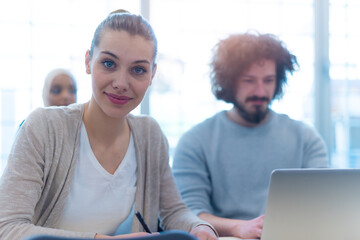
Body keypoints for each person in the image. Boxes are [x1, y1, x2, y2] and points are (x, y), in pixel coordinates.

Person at [0, 10, 217, 240]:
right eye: (108, 63)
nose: (121, 83)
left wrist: (199, 228)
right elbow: (7, 227)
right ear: (88, 62)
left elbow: (174, 211)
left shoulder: (150, 135)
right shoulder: (43, 127)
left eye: (138, 70)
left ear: (152, 74)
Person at [172, 32, 329, 239]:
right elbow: (188, 215)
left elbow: (323, 206)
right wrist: (239, 228)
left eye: (268, 80)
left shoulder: (306, 138)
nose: (260, 91)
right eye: (249, 81)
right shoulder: (195, 141)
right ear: (229, 82)